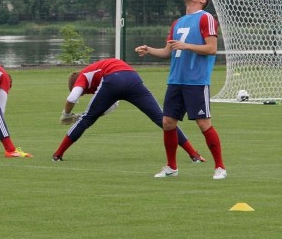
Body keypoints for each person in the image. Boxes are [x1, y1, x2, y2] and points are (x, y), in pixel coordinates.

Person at [135, 0, 227, 179]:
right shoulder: (177, 23)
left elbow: (211, 48)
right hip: (175, 80)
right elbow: (168, 52)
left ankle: (220, 167)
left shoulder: (206, 18)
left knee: (203, 123)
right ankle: (171, 167)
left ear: (202, 0)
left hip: (196, 81)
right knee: (168, 123)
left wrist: (186, 46)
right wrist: (149, 50)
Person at [51, 57, 206, 164]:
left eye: (85, 92)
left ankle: (57, 154)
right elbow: (113, 105)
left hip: (112, 79)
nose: (87, 93)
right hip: (132, 78)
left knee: (86, 120)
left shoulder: (82, 75)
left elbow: (72, 98)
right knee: (162, 119)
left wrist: (66, 114)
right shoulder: (98, 69)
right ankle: (194, 154)